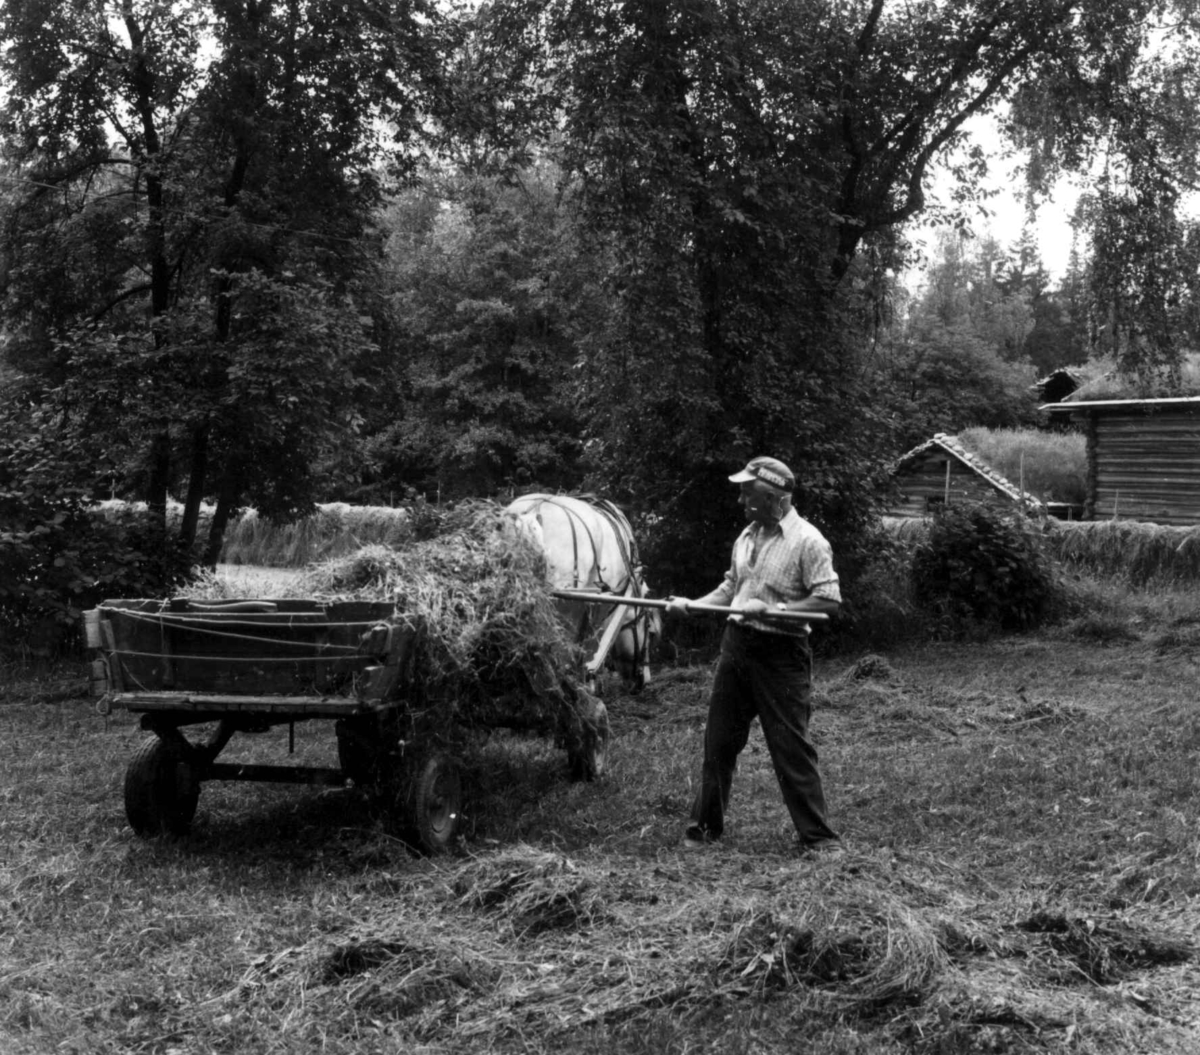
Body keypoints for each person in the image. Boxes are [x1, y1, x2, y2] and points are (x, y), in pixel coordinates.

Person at [665, 456, 843, 855]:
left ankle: (819, 839)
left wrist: (776, 610)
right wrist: (692, 604)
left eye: (749, 492)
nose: (742, 499)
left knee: (791, 748)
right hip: (737, 647)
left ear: (776, 499)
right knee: (719, 744)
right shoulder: (747, 535)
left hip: (781, 654)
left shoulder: (808, 541)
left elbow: (828, 601)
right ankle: (704, 830)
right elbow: (731, 589)